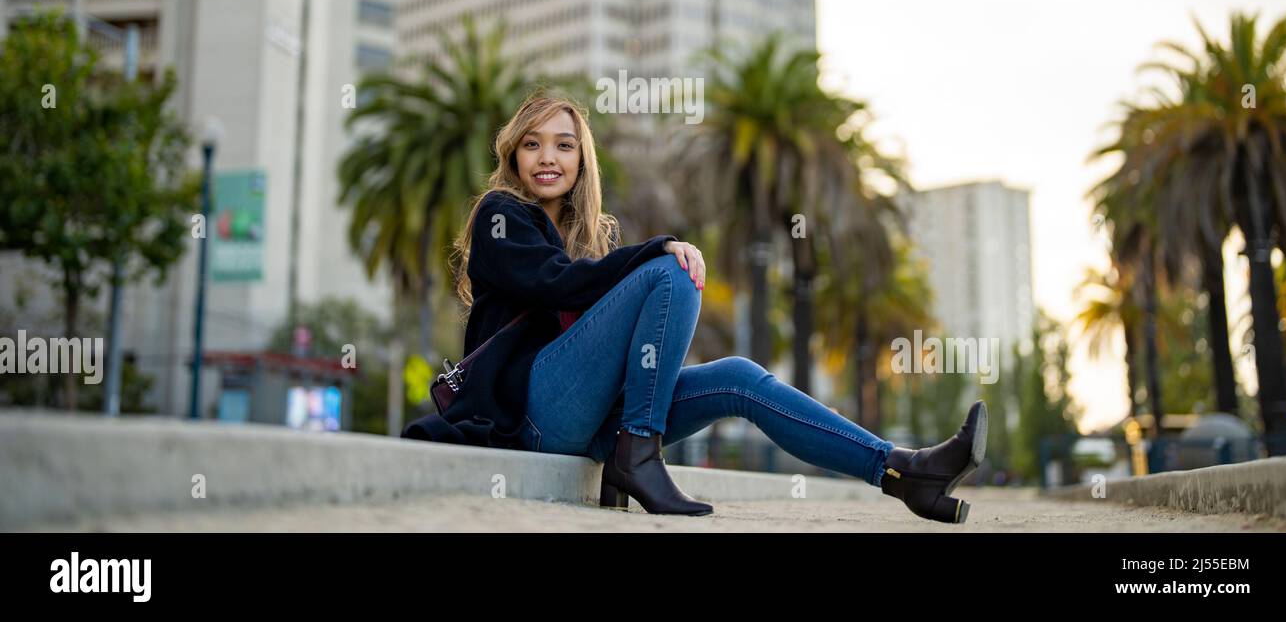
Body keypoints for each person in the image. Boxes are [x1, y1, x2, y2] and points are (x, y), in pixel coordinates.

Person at [402, 91, 987, 521]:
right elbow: (557, 283)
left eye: (564, 144)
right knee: (672, 269)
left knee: (738, 377)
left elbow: (601, 314)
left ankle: (903, 471)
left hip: (590, 424)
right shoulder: (500, 217)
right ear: (513, 154)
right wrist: (658, 248)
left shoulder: (590, 240)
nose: (548, 157)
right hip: (529, 416)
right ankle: (639, 454)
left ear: (582, 161)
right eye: (532, 144)